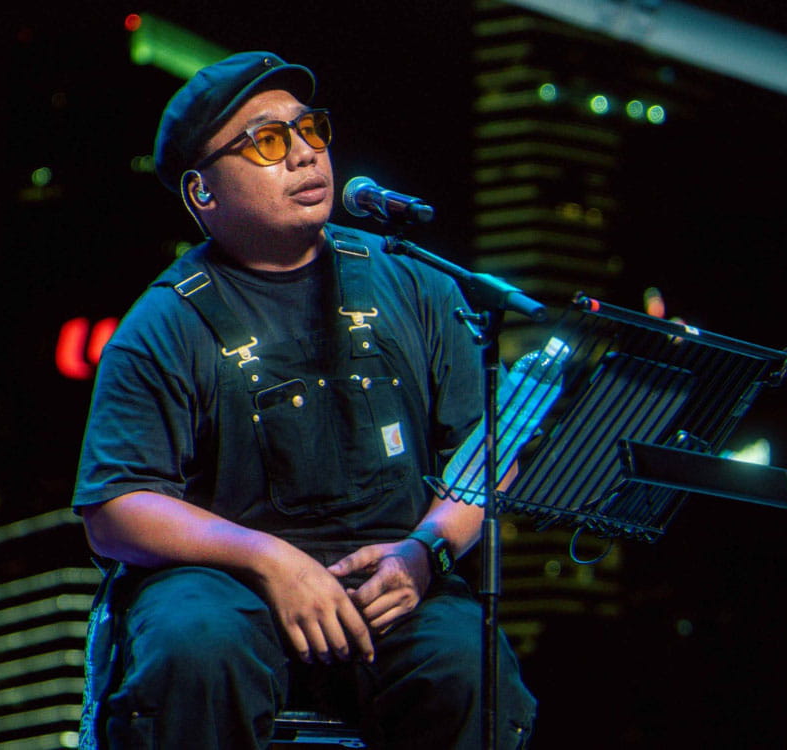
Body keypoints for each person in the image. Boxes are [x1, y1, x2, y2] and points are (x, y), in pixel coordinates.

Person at [72, 50, 536, 749]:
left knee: (469, 667)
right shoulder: (163, 323)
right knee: (193, 644)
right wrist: (270, 560)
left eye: (309, 129)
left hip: (391, 576)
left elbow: (485, 455)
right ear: (203, 193)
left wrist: (424, 554)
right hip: (226, 586)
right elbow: (114, 508)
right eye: (266, 141)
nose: (303, 154)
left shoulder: (418, 285)